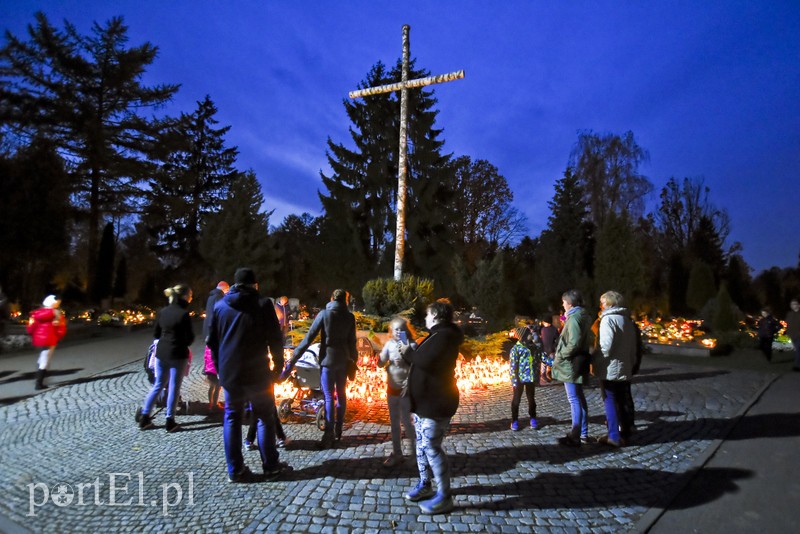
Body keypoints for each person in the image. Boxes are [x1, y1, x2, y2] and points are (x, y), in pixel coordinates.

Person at [208, 268, 290, 482]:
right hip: (258, 372)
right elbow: (275, 339)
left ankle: (235, 470)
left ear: (235, 285)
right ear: (255, 284)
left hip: (230, 372)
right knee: (264, 417)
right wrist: (278, 367)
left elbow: (212, 342)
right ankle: (271, 467)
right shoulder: (263, 305)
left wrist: (219, 368)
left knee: (232, 418)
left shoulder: (220, 306)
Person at [400, 299, 463, 515]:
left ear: (435, 315)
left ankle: (444, 496)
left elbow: (425, 361)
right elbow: (422, 360)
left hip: (436, 403)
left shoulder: (444, 337)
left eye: (427, 315)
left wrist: (409, 352)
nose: (425, 319)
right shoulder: (436, 335)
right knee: (421, 445)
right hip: (424, 403)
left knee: (432, 447)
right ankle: (425, 484)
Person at [282, 289, 357, 449]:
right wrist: (354, 363)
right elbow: (352, 344)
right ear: (346, 300)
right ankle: (338, 431)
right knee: (341, 395)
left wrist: (292, 361)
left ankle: (328, 435)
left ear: (332, 298)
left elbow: (308, 339)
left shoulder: (324, 314)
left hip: (327, 361)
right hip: (343, 361)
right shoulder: (349, 317)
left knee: (329, 396)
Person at [137, 284, 194, 432]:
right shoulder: (183, 313)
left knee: (158, 385)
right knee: (174, 387)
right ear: (184, 297)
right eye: (190, 295)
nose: (191, 298)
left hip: (161, 353)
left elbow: (156, 333)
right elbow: (190, 338)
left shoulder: (163, 312)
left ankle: (145, 417)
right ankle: (170, 420)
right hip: (177, 353)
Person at [594, 291, 639, 447]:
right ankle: (624, 433)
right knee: (621, 400)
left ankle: (613, 435)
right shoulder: (627, 320)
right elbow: (634, 347)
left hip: (610, 368)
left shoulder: (608, 320)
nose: (600, 305)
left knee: (610, 400)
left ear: (610, 303)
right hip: (624, 367)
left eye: (602, 302)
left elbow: (605, 347)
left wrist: (595, 360)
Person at [552, 289, 595, 447]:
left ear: (569, 303)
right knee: (579, 398)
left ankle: (575, 435)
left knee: (574, 399)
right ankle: (582, 433)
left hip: (571, 363)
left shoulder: (574, 319)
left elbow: (574, 342)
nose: (562, 304)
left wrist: (562, 354)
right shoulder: (582, 316)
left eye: (563, 302)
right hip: (578, 360)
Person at [377, 316, 417, 467]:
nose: (398, 332)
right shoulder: (388, 345)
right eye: (395, 329)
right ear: (391, 331)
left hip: (405, 391)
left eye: (401, 329)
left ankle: (414, 454)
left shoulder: (412, 345)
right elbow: (380, 363)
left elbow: (417, 366)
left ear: (407, 330)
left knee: (408, 423)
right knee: (394, 423)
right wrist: (381, 358)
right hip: (391, 389)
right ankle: (397, 453)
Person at [27, 295, 67, 390]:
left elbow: (30, 328)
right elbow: (61, 328)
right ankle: (39, 384)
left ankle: (39, 380)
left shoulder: (35, 313)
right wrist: (59, 336)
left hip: (38, 338)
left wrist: (33, 334)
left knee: (42, 357)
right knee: (45, 360)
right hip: (50, 338)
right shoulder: (57, 313)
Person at [203, 281, 229, 412]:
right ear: (224, 289)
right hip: (216, 347)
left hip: (209, 339)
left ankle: (212, 403)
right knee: (218, 383)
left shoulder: (210, 297)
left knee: (213, 384)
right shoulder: (220, 297)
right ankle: (214, 404)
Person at [509, 326, 538, 431]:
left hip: (530, 377)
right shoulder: (516, 349)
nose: (530, 335)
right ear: (523, 336)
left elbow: (542, 356)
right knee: (516, 400)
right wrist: (514, 380)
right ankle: (514, 420)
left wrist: (555, 363)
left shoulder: (533, 347)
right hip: (519, 379)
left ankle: (533, 418)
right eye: (528, 334)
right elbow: (513, 366)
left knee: (531, 400)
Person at [539, 319, 558, 384]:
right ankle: (547, 374)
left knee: (546, 362)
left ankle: (547, 374)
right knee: (549, 362)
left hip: (547, 349)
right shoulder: (552, 329)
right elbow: (557, 339)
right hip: (549, 349)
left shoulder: (544, 329)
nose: (544, 323)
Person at [786, 298, 800, 372]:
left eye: (794, 304)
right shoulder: (790, 314)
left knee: (798, 350)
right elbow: (788, 324)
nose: (792, 305)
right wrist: (788, 333)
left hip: (799, 336)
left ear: (798, 305)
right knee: (797, 350)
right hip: (792, 335)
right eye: (791, 304)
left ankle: (797, 366)